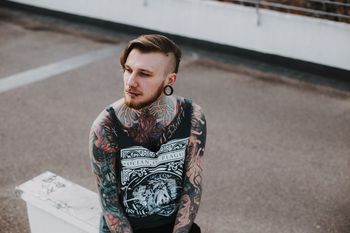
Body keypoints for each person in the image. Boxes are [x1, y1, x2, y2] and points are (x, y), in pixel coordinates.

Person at [89, 34, 207, 233]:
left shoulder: (193, 117)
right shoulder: (105, 127)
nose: (131, 82)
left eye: (144, 74)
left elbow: (192, 187)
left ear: (169, 80)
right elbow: (110, 203)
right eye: (128, 70)